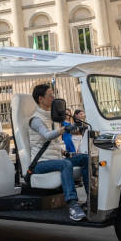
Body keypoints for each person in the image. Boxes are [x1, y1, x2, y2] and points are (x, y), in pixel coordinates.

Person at [28, 84, 89, 222]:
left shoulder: (53, 117)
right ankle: (73, 205)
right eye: (50, 95)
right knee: (65, 164)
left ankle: (90, 199)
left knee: (85, 158)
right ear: (41, 99)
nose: (54, 97)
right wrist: (64, 129)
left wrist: (66, 151)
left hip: (56, 159)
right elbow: (47, 135)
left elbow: (53, 144)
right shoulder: (35, 119)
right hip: (40, 164)